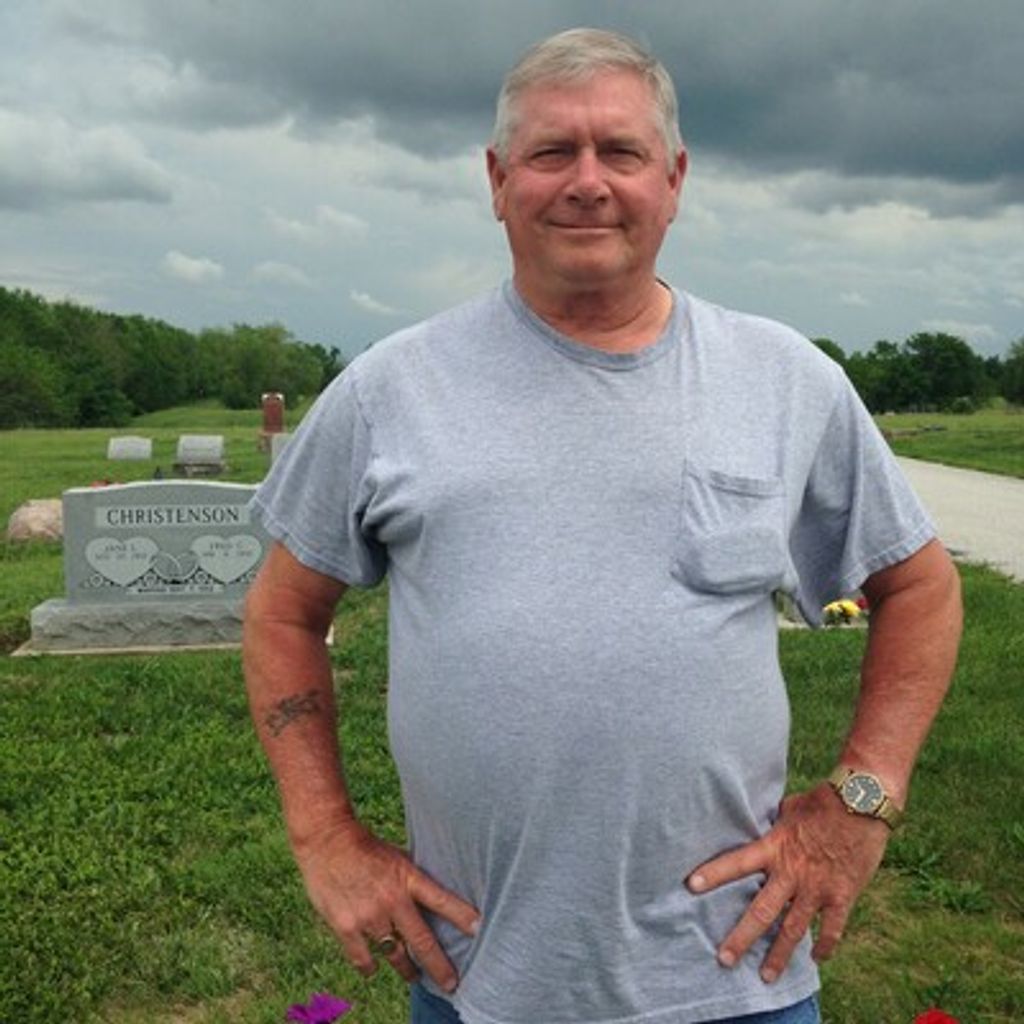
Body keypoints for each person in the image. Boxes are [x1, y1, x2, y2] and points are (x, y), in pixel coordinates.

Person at [242, 27, 962, 1024]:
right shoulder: (388, 390)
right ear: (497, 181)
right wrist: (325, 834)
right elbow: (282, 615)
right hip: (476, 979)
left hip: (735, 977)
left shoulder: (785, 380)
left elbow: (918, 584)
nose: (587, 182)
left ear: (672, 178)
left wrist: (858, 802)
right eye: (551, 153)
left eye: (619, 152)